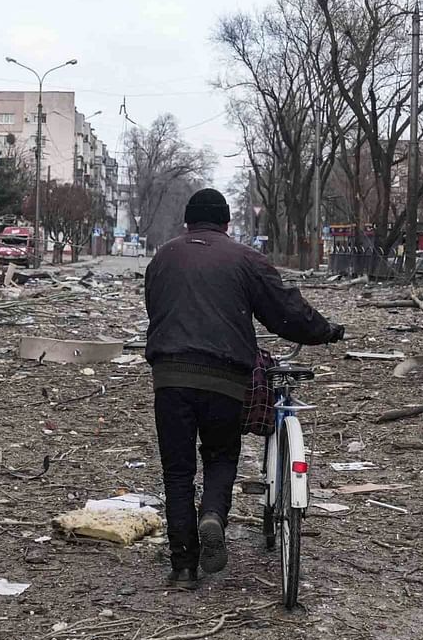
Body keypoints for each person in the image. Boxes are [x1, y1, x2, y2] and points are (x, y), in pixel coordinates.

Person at [144, 188, 344, 590]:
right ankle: (213, 515)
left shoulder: (163, 257)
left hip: (170, 376)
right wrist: (325, 331)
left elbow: (156, 306)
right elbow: (285, 312)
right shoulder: (245, 259)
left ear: (187, 220)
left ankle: (183, 566)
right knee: (220, 455)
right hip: (225, 376)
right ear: (226, 222)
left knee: (177, 470)